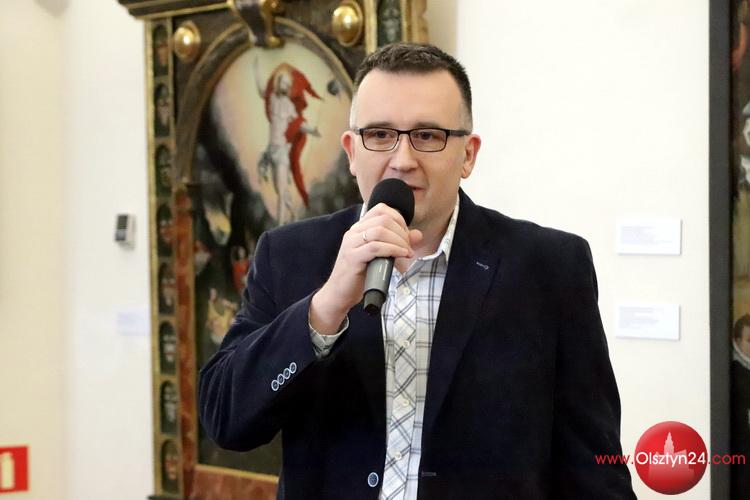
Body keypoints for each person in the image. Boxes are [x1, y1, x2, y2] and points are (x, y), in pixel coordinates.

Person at [199, 42, 635, 499]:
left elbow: (594, 466)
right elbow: (226, 420)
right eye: (380, 134)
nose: (403, 159)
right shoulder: (289, 254)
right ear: (351, 151)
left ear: (468, 155)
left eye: (427, 135)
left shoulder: (550, 268)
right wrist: (324, 308)